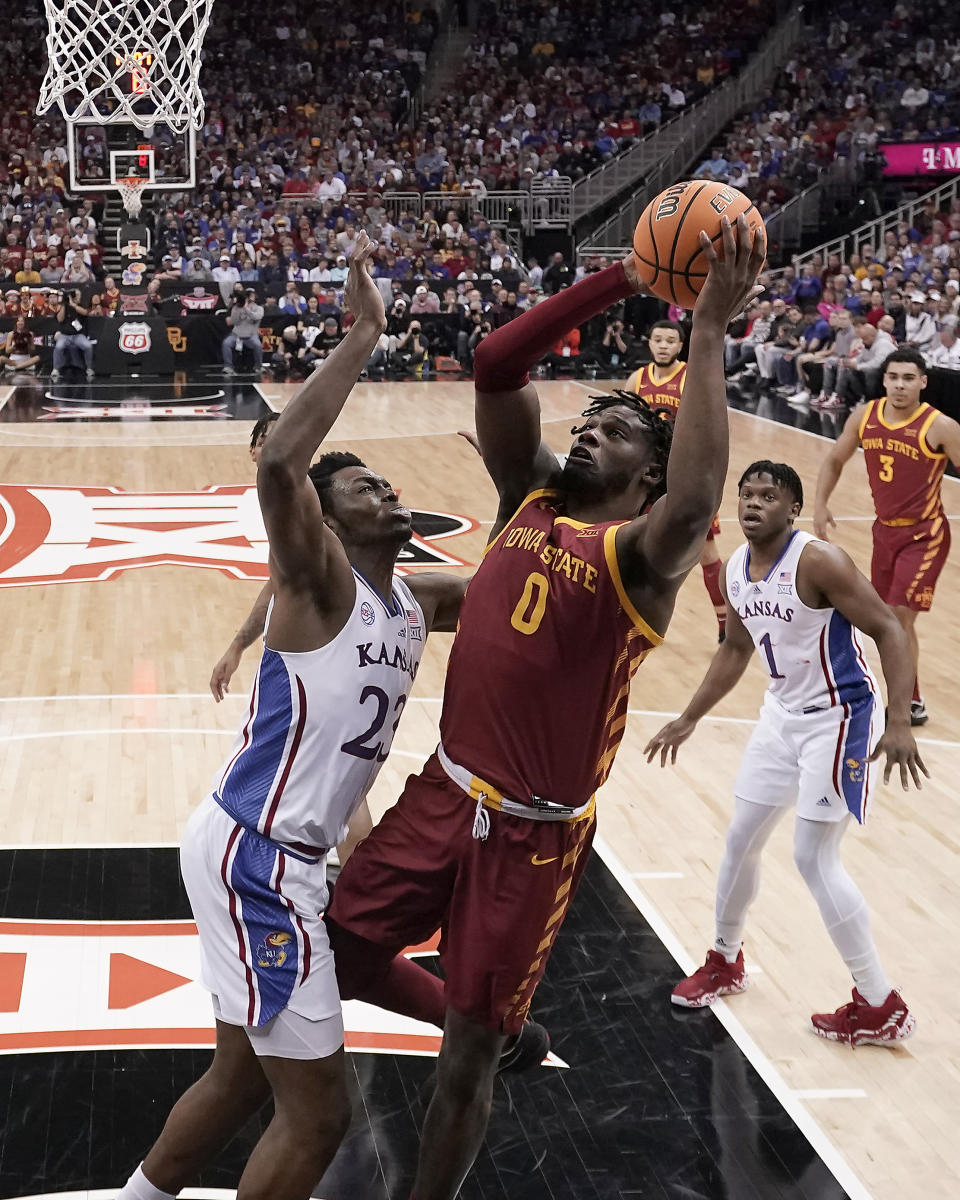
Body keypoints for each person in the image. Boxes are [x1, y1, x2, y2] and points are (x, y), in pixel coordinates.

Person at [325, 214, 766, 1200]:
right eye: (583, 424)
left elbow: (696, 504)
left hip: (532, 840)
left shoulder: (644, 560)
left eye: (608, 433)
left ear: (646, 475)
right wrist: (625, 274)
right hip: (442, 793)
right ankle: (488, 1015)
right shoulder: (525, 496)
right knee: (339, 954)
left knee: (465, 1067)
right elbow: (493, 363)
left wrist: (705, 333)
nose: (584, 435)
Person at [116, 235, 467, 1200]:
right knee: (319, 1115)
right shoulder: (319, 583)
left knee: (238, 1078)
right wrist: (364, 334)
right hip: (260, 857)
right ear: (328, 523)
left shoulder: (422, 597)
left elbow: (540, 590)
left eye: (388, 484)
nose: (387, 492)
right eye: (362, 489)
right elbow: (280, 462)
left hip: (273, 851)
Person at [646, 460, 925, 1046]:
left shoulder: (819, 560)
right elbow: (735, 648)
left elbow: (889, 630)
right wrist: (689, 716)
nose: (752, 504)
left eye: (767, 496)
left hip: (841, 715)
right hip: (781, 715)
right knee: (741, 838)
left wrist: (899, 721)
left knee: (813, 856)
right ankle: (725, 960)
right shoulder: (735, 571)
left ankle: (880, 1004)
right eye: (746, 494)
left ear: (791, 508)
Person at [208, 411, 372, 867]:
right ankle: (343, 875)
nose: (277, 445)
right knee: (332, 768)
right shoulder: (293, 505)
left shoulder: (305, 500)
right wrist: (239, 644)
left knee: (332, 769)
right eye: (269, 437)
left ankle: (344, 881)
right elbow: (279, 583)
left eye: (287, 435)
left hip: (330, 641)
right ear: (254, 449)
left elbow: (292, 582)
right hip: (333, 637)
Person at [814, 347, 960, 724]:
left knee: (898, 618)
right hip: (884, 533)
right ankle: (902, 692)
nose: (900, 385)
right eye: (894, 377)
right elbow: (834, 459)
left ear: (923, 382)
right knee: (881, 619)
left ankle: (910, 702)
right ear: (884, 380)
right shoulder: (866, 416)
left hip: (926, 536)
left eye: (909, 378)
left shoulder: (941, 426)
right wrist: (820, 504)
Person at [627, 320, 727, 641]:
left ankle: (727, 621)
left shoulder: (691, 379)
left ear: (681, 346)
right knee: (634, 545)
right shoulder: (637, 379)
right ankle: (629, 615)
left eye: (670, 340)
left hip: (686, 477)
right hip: (648, 478)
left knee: (707, 552)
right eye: (658, 339)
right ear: (649, 343)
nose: (663, 346)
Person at [50, 289, 94, 380]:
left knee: (88, 346)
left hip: (78, 335)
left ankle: (89, 368)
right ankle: (55, 369)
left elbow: (85, 312)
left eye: (78, 296)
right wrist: (64, 305)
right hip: (65, 335)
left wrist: (73, 305)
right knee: (58, 347)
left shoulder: (79, 306)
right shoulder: (63, 307)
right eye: (75, 296)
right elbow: (60, 319)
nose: (77, 297)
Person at [222, 287, 264, 375]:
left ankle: (258, 366)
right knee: (226, 343)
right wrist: (236, 309)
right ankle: (228, 367)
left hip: (251, 335)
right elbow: (234, 321)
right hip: (236, 335)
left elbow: (256, 317)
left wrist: (246, 309)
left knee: (258, 345)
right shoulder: (237, 307)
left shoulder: (259, 308)